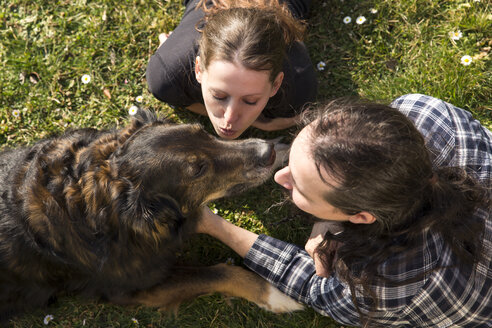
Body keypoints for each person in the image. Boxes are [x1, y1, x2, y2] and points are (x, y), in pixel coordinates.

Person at [196, 94, 492, 327]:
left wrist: (211, 224)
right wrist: (327, 221)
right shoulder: (427, 113)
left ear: (361, 217)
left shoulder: (389, 286)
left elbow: (314, 286)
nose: (279, 177)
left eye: (299, 187)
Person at [146, 0, 317, 139]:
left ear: (276, 84)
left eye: (250, 101)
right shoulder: (167, 76)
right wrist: (261, 123)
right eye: (218, 96)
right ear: (198, 69)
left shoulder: (297, 86)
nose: (230, 118)